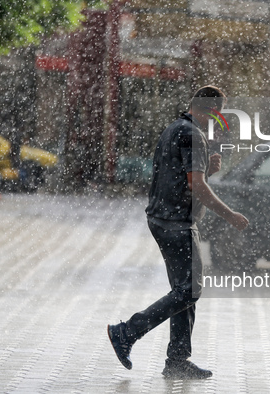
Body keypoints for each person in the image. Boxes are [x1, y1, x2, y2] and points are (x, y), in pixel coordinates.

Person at [107, 86, 249, 380]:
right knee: (190, 290)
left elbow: (183, 177)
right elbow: (196, 186)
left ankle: (177, 361)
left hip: (162, 217)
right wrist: (230, 215)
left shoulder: (176, 128)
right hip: (178, 223)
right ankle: (127, 332)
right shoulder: (194, 135)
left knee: (183, 292)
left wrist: (206, 168)